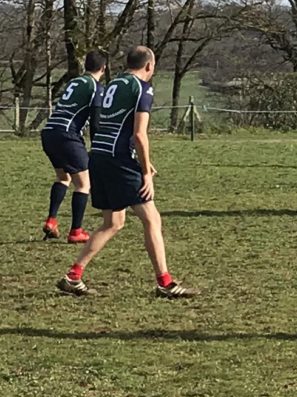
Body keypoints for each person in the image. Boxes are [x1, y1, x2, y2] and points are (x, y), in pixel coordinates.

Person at [56, 46, 197, 298]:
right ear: (149, 66)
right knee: (152, 219)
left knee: (113, 222)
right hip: (118, 159)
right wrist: (144, 172)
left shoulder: (114, 83)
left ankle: (73, 276)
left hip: (98, 155)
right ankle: (164, 282)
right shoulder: (142, 89)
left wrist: (143, 162)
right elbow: (139, 135)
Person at [40, 50, 107, 244]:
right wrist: (97, 149)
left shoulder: (74, 82)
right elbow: (95, 123)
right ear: (103, 68)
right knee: (84, 184)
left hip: (49, 132)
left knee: (63, 177)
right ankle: (76, 231)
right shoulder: (96, 87)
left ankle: (51, 220)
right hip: (66, 135)